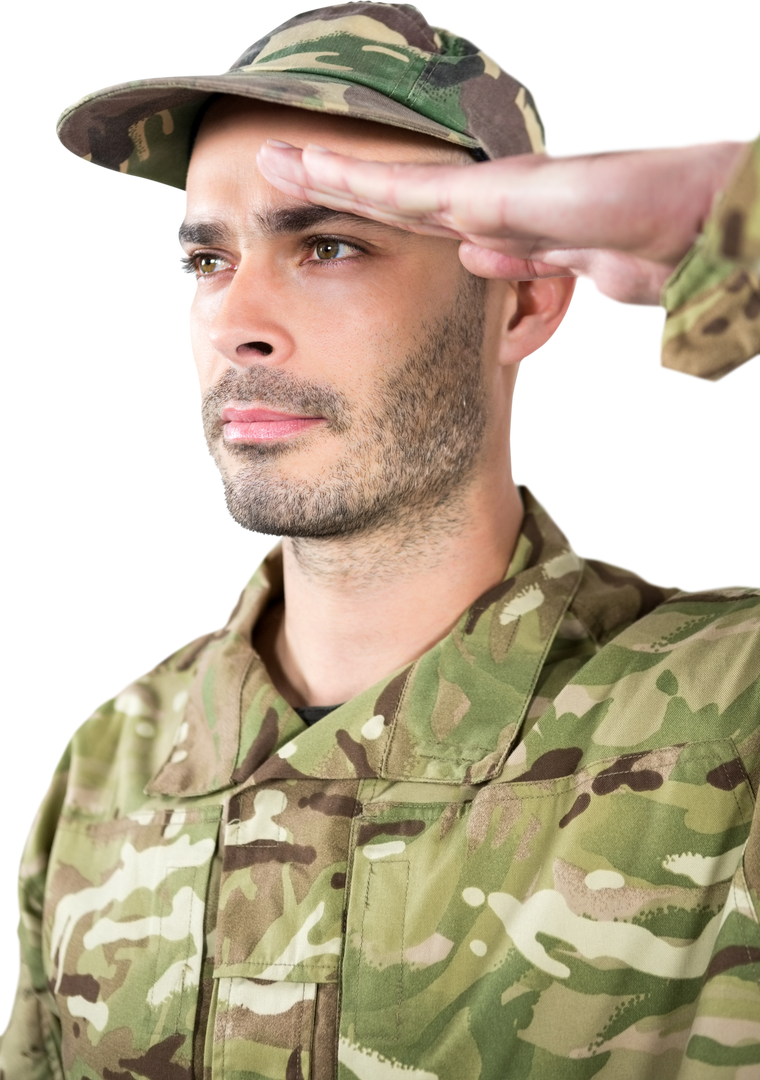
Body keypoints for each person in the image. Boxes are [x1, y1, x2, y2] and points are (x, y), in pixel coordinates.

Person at [4, 2, 758, 1077]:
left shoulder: (728, 721)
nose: (235, 321)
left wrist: (731, 211)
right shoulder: (106, 769)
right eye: (205, 262)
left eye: (329, 245)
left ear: (529, 299)